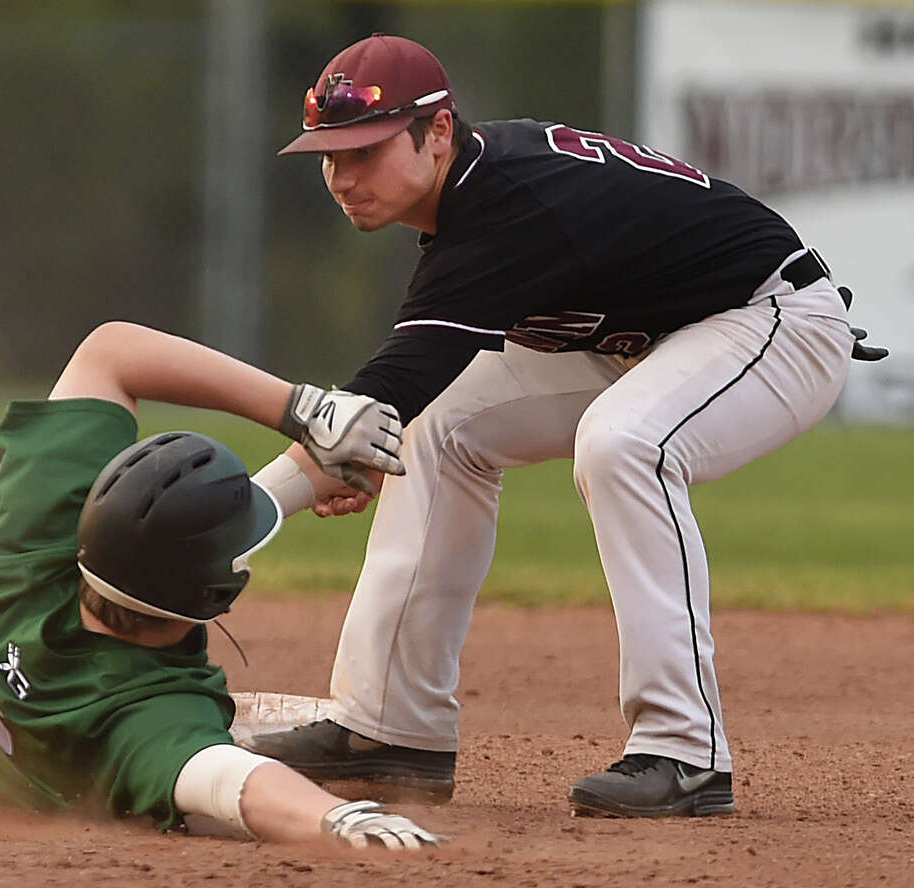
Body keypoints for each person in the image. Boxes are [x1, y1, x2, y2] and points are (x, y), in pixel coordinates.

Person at [243, 34, 887, 818]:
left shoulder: (508, 203)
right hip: (650, 343)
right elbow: (389, 412)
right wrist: (359, 444)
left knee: (626, 443)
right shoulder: (474, 196)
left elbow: (377, 396)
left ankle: (685, 752)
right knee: (437, 428)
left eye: (366, 151)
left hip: (773, 320)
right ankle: (390, 730)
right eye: (330, 156)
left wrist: (240, 511)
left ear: (438, 132)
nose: (343, 177)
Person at [0, 321, 443, 850]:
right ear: (210, 597)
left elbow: (111, 348)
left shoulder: (54, 515)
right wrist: (338, 819)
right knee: (55, 759)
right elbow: (229, 781)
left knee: (9, 477)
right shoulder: (143, 711)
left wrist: (305, 411)